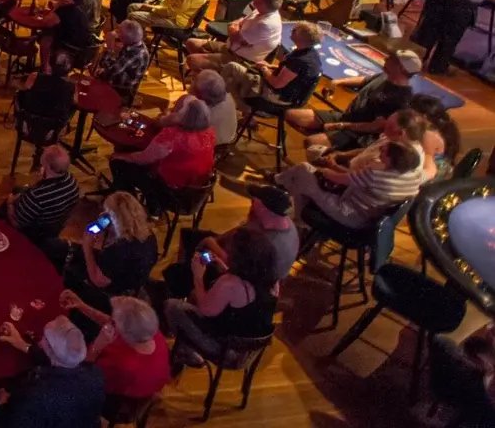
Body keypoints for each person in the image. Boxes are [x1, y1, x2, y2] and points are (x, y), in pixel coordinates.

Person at [164, 226, 279, 368]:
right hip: (250, 351)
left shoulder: (230, 284)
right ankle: (186, 349)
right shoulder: (273, 282)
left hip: (226, 352)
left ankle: (192, 354)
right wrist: (223, 267)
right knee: (196, 295)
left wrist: (198, 276)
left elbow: (205, 309)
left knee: (172, 306)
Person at [164, 185, 298, 297]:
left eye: (253, 202)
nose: (251, 204)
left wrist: (211, 243)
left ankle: (177, 291)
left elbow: (234, 266)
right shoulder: (278, 221)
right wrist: (218, 240)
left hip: (245, 280)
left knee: (182, 272)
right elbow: (241, 230)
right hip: (240, 260)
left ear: (263, 208)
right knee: (190, 236)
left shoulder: (266, 243)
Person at [285, 49, 421, 154]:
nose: (386, 59)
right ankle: (327, 143)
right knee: (291, 114)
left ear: (402, 68)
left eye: (392, 59)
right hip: (345, 117)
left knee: (311, 143)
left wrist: (342, 126)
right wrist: (338, 81)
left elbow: (376, 127)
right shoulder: (385, 75)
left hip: (358, 133)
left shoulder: (401, 99)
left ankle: (329, 162)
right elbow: (364, 80)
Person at [276, 135, 424, 229]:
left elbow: (336, 177)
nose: (380, 153)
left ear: (393, 160)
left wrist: (325, 168)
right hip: (372, 219)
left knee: (303, 170)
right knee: (303, 176)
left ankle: (299, 218)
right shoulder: (413, 178)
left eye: (384, 153)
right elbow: (355, 179)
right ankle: (281, 183)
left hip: (350, 214)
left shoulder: (376, 173)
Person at [0, 316, 106, 428]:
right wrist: (22, 344)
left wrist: (2, 405)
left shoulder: (37, 395)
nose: (41, 341)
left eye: (45, 338)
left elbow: (12, 423)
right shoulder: (95, 374)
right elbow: (58, 360)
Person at [110, 95, 215, 213]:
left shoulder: (171, 136)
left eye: (178, 110)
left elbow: (144, 158)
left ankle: (129, 208)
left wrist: (120, 156)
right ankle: (152, 207)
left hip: (171, 194)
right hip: (197, 192)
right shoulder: (209, 133)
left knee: (118, 163)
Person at [67, 191, 159, 305]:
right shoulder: (149, 235)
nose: (105, 216)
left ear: (116, 219)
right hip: (133, 278)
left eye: (108, 214)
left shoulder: (119, 249)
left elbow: (99, 281)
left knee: (72, 265)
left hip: (115, 290)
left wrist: (87, 245)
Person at [227, 21, 321, 125]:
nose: (292, 31)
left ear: (302, 38)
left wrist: (264, 69)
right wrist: (270, 66)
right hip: (291, 97)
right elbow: (291, 73)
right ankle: (244, 114)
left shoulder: (299, 61)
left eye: (295, 30)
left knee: (232, 69)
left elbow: (276, 84)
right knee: (237, 75)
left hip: (278, 100)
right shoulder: (310, 53)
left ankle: (244, 110)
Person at [184, 0, 282, 75]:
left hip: (241, 59)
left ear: (264, 4)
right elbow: (240, 21)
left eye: (257, 0)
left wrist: (233, 27)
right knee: (191, 43)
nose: (253, 0)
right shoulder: (260, 10)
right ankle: (212, 70)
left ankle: (211, 78)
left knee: (192, 60)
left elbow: (235, 36)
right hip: (229, 47)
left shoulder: (266, 24)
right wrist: (235, 28)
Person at [7, 145, 81, 244]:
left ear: (47, 166)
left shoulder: (36, 195)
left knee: (10, 198)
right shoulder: (73, 181)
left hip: (35, 231)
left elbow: (16, 223)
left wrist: (10, 203)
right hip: (54, 226)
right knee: (19, 189)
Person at [93, 20, 151, 94]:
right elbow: (115, 65)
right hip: (119, 74)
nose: (117, 35)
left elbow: (110, 73)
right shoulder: (136, 43)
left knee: (96, 75)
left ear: (126, 39)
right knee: (100, 66)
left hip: (122, 87)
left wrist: (109, 49)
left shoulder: (134, 54)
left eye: (120, 35)